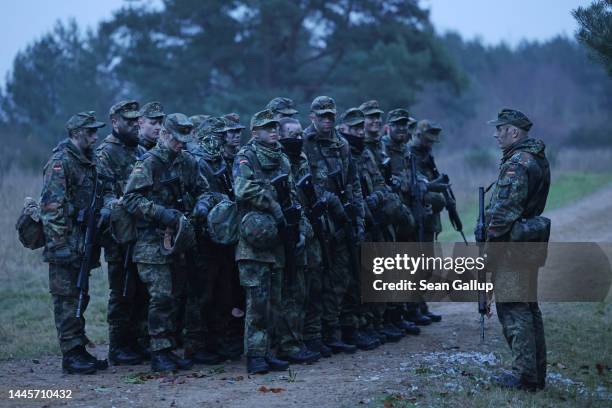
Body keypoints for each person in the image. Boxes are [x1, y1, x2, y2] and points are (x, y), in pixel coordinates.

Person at [123, 113, 209, 372]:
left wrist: (203, 206)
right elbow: (130, 199)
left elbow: (203, 190)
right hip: (152, 241)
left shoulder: (187, 161)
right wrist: (161, 213)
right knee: (161, 296)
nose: (181, 144)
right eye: (176, 139)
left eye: (184, 139)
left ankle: (170, 348)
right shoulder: (148, 163)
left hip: (180, 239)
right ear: (164, 135)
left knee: (177, 295)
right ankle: (159, 350)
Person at [233, 109, 306, 374]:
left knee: (276, 299)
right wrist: (272, 203)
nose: (274, 130)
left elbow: (292, 192)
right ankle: (255, 355)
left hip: (277, 239)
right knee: (258, 303)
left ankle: (269, 351)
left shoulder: (282, 159)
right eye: (267, 127)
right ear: (255, 132)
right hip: (254, 241)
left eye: (275, 126)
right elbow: (242, 189)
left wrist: (297, 226)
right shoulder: (246, 157)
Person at [485, 108, 550, 392]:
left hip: (512, 246)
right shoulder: (534, 158)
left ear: (514, 132)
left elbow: (504, 213)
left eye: (500, 129)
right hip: (528, 242)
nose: (496, 134)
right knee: (529, 307)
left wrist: (489, 246)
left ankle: (525, 376)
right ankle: (535, 374)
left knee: (514, 309)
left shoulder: (517, 163)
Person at [40, 111, 108, 374]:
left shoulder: (88, 162)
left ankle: (79, 348)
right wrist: (60, 246)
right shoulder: (61, 162)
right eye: (90, 131)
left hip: (82, 242)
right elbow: (51, 207)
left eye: (95, 131)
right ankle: (71, 353)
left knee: (81, 295)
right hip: (65, 244)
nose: (95, 135)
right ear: (76, 133)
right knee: (67, 298)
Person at [302, 96, 365, 354]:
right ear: (312, 117)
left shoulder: (342, 144)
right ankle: (318, 334)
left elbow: (353, 183)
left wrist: (358, 216)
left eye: (331, 115)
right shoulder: (304, 143)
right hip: (318, 220)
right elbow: (303, 183)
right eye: (322, 115)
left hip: (341, 220)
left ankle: (338, 329)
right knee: (317, 279)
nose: (327, 120)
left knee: (343, 276)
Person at [96, 100, 149, 366]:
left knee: (140, 288)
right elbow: (103, 194)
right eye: (128, 121)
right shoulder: (105, 153)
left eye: (136, 120)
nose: (135, 125)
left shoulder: (140, 151)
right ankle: (118, 345)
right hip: (119, 234)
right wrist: (118, 206)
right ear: (115, 122)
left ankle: (137, 341)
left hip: (142, 232)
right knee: (121, 289)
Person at [277, 116, 323, 363]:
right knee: (291, 291)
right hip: (288, 231)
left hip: (307, 230)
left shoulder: (302, 159)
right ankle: (289, 344)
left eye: (298, 135)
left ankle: (303, 338)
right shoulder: (279, 160)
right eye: (291, 135)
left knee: (307, 287)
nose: (296, 139)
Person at [407, 120, 446, 324]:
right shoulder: (411, 154)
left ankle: (420, 304)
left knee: (427, 265)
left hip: (429, 218)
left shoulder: (426, 155)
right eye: (427, 140)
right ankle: (413, 307)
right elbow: (419, 186)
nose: (431, 144)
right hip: (418, 216)